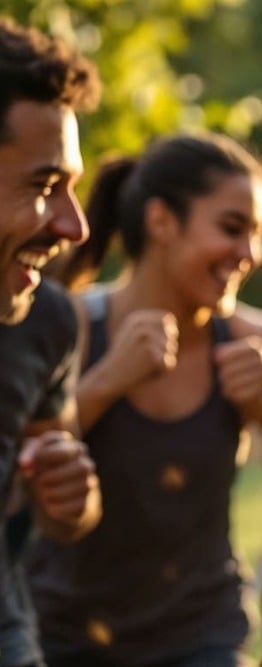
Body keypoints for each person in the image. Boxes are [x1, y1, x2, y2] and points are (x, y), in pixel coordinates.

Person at [26, 132, 262, 666]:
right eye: (232, 229)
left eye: (258, 235)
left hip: (201, 640)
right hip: (62, 638)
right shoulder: (70, 326)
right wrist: (106, 381)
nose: (249, 255)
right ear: (161, 222)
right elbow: (19, 468)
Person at [0, 18, 103, 667]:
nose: (74, 225)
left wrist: (71, 495)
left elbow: (65, 504)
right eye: (45, 187)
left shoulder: (48, 318)